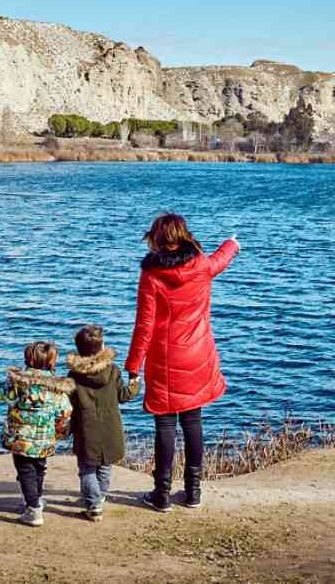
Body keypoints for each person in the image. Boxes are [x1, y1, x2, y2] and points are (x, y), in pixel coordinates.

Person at [125, 213, 239, 512]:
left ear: (158, 238)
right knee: (192, 420)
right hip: (198, 353)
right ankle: (193, 492)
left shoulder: (151, 274)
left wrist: (133, 366)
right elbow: (219, 261)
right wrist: (232, 244)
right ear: (184, 235)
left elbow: (144, 325)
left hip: (164, 357)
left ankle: (161, 494)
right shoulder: (200, 264)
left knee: (165, 424)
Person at [0, 341, 74, 527]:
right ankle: (36, 499)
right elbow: (65, 412)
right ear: (52, 363)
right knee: (39, 468)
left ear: (28, 360)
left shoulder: (18, 383)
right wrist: (60, 432)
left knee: (25, 471)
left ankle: (33, 508)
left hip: (20, 438)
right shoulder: (58, 387)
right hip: (45, 439)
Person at [66, 325, 140, 522]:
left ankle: (94, 502)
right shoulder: (113, 370)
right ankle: (100, 497)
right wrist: (135, 382)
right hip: (110, 427)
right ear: (101, 348)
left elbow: (69, 404)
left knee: (87, 468)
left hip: (85, 427)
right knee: (105, 465)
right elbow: (124, 396)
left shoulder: (74, 375)